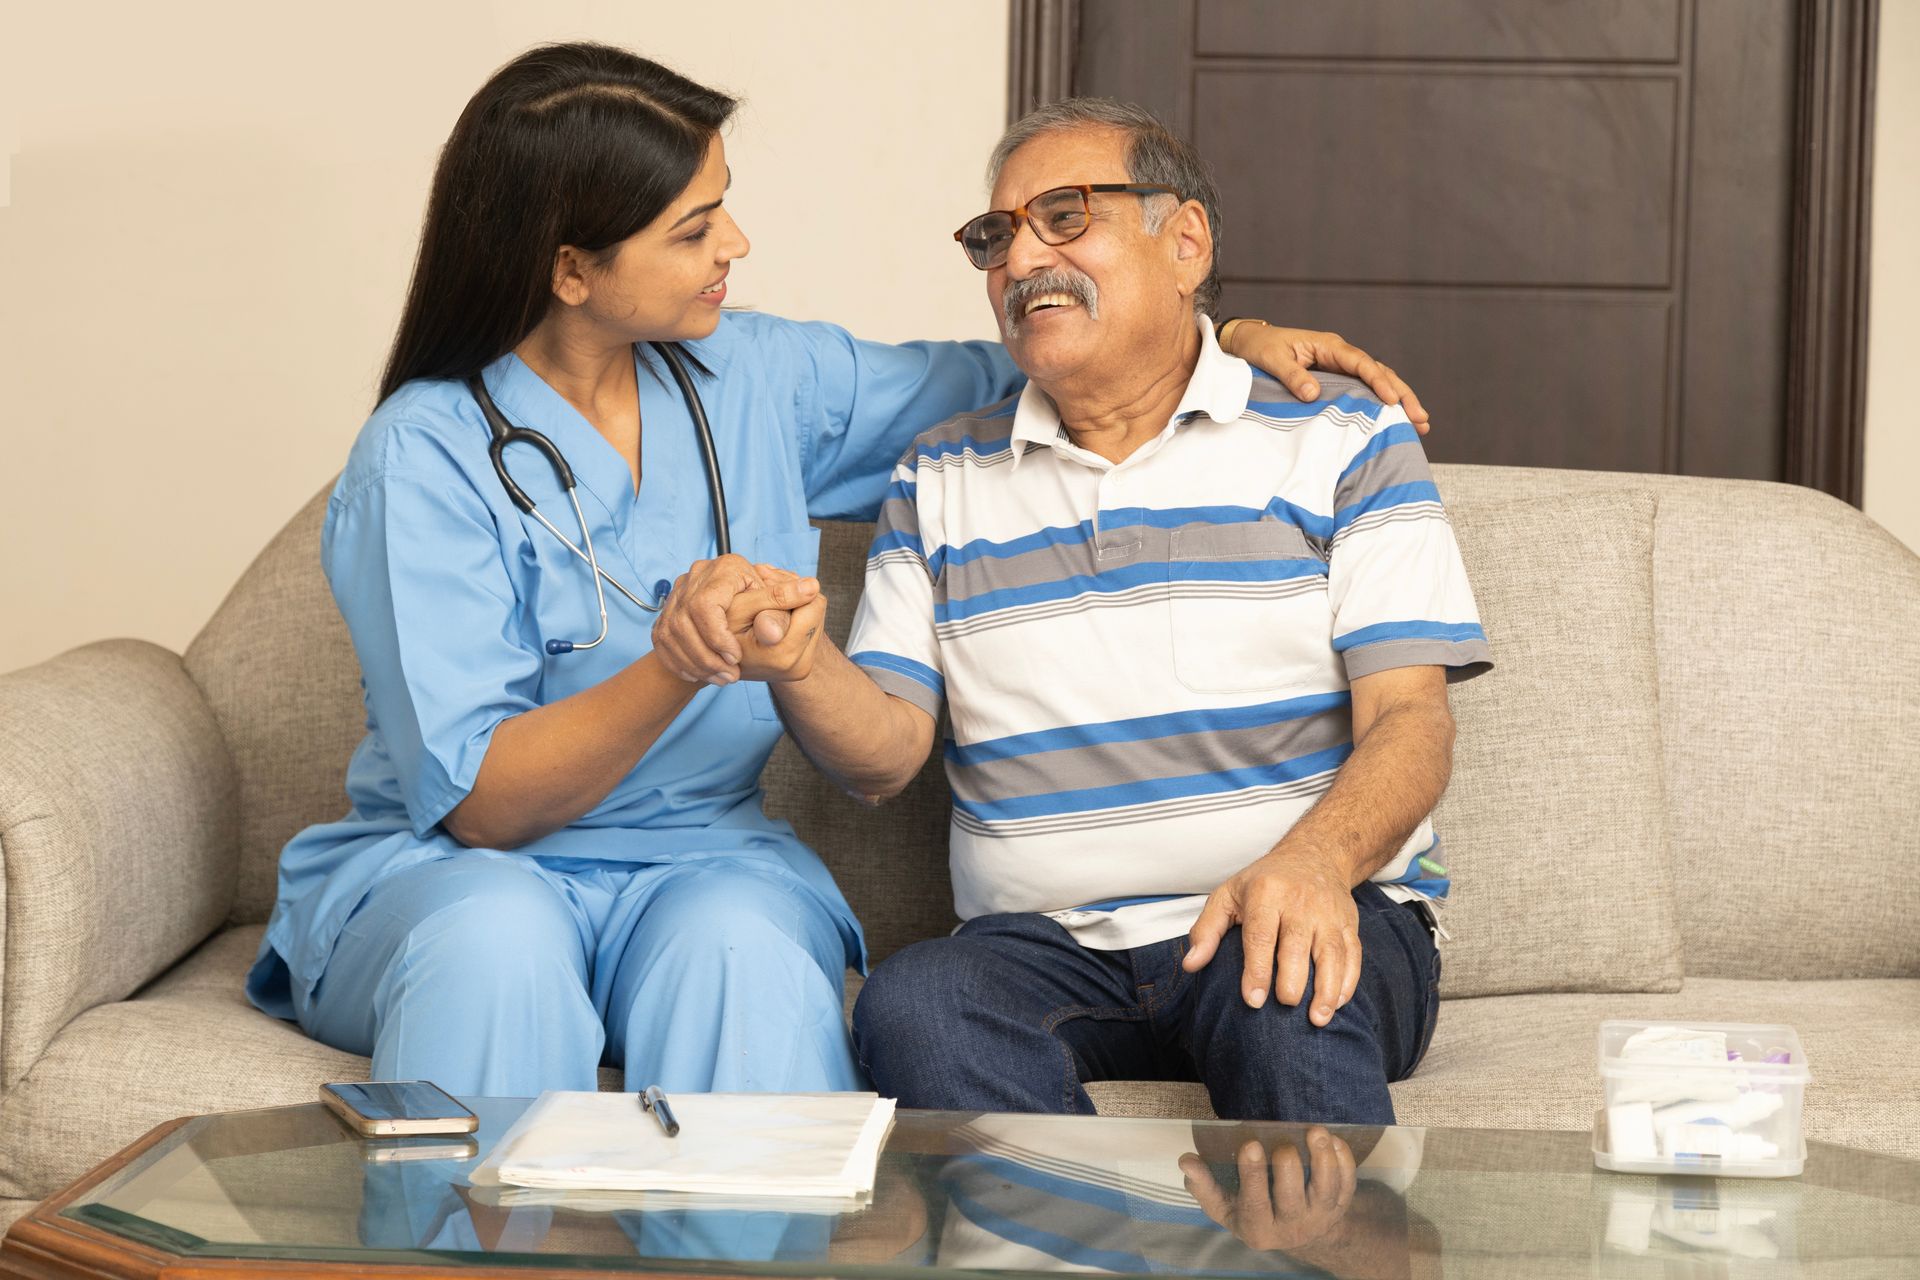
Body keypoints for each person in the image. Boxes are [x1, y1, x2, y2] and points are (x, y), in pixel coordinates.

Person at [245, 43, 1432, 1099]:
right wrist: (677, 661)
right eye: (694, 228)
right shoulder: (422, 454)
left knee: (748, 951)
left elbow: (1041, 358)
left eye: (725, 208)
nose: (737, 246)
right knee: (498, 946)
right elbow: (483, 800)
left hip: (696, 862)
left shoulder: (755, 375)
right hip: (462, 869)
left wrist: (1226, 340)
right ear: (570, 270)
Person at [768, 98, 1492, 1122]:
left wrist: (1313, 863)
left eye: (1064, 216)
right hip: (1042, 945)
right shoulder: (940, 473)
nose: (1021, 258)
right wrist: (797, 660)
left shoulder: (1343, 436)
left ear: (1184, 240)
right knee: (919, 1000)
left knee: (1287, 985)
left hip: (1295, 901)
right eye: (998, 234)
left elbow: (1411, 720)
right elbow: (884, 754)